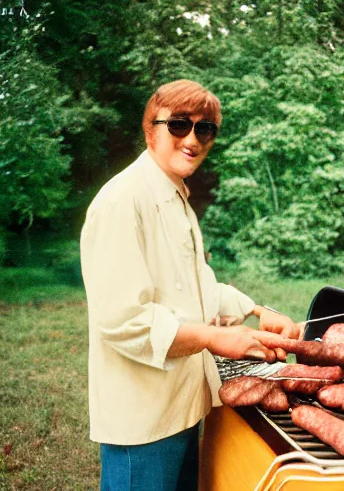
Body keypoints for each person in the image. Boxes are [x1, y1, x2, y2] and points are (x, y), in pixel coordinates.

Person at [80, 79, 299, 491]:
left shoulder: (174, 195)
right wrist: (214, 339)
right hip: (141, 420)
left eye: (205, 129)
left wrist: (256, 310)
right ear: (151, 129)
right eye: (179, 124)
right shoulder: (121, 201)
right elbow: (122, 321)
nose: (192, 138)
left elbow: (194, 287)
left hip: (180, 407)